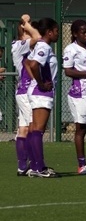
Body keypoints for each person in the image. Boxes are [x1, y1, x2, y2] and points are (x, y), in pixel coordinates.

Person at [24, 17, 60, 178]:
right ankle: (39, 167)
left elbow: (29, 63)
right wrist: (41, 83)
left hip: (36, 92)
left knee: (34, 129)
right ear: (50, 32)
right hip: (41, 93)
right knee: (38, 130)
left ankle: (34, 165)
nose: (58, 34)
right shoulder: (44, 47)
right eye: (57, 31)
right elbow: (32, 65)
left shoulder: (40, 46)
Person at [63, 19, 86, 175]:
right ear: (75, 34)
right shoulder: (71, 49)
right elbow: (68, 71)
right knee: (81, 129)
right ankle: (82, 164)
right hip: (80, 95)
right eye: (83, 32)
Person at [11, 14, 41, 176]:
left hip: (25, 92)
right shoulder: (19, 44)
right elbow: (38, 36)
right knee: (32, 126)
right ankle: (33, 163)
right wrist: (27, 23)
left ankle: (23, 166)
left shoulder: (26, 47)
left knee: (23, 128)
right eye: (29, 30)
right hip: (25, 92)